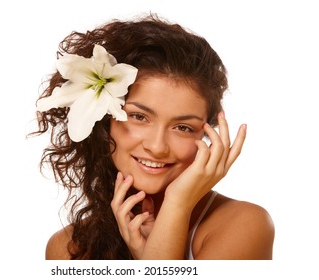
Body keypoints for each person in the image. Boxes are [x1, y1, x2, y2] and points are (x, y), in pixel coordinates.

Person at [33, 14, 275, 260]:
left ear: (207, 135)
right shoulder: (68, 247)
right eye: (139, 117)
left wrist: (176, 204)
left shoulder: (243, 225)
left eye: (183, 127)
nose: (158, 147)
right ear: (104, 121)